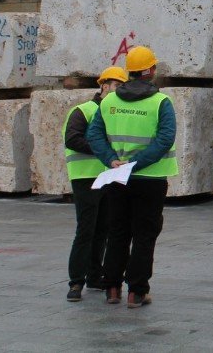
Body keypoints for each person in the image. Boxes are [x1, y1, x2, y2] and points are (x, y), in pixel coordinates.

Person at [87, 46, 177, 308]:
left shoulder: (109, 101)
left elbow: (94, 135)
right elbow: (164, 140)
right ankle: (136, 292)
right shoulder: (161, 102)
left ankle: (112, 288)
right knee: (144, 234)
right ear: (150, 71)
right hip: (151, 178)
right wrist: (136, 164)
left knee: (117, 231)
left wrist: (112, 160)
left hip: (117, 177)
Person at [63, 66, 129, 302]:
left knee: (103, 229)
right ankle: (76, 282)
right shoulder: (84, 111)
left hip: (108, 177)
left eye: (123, 87)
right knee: (86, 229)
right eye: (117, 86)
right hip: (86, 176)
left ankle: (94, 276)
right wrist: (103, 151)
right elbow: (72, 139)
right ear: (104, 86)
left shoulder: (116, 113)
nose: (120, 90)